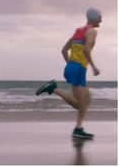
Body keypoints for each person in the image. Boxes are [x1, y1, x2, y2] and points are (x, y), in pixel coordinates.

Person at [36, 8, 102, 140]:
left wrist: (70, 65)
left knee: (86, 100)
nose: (101, 20)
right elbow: (87, 50)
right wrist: (94, 67)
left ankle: (78, 128)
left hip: (73, 68)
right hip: (78, 69)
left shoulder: (78, 32)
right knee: (80, 104)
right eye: (100, 17)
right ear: (94, 18)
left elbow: (64, 50)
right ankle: (54, 89)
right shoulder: (92, 31)